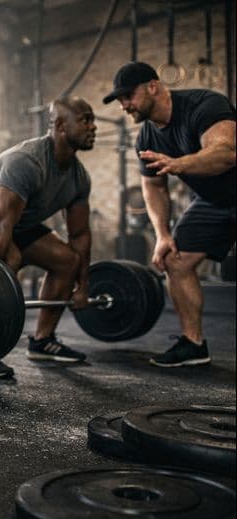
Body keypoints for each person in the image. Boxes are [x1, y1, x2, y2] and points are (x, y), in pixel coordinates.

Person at [0, 96, 96, 379]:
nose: (93, 126)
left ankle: (42, 341)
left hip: (17, 220)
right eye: (86, 119)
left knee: (66, 260)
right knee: (8, 258)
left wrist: (83, 286)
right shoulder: (27, 161)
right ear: (60, 125)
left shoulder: (79, 178)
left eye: (92, 120)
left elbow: (80, 234)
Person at [103, 61, 236, 367]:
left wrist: (180, 164)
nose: (124, 105)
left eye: (128, 95)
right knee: (174, 259)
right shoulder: (147, 138)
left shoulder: (204, 104)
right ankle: (193, 344)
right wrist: (162, 234)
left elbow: (227, 153)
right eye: (119, 99)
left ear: (153, 86)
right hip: (211, 202)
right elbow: (153, 188)